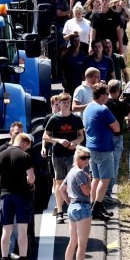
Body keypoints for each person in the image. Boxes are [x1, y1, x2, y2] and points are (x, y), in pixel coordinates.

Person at [0, 132, 37, 260]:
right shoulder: (25, 156)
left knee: (6, 230)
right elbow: (31, 178)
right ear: (23, 142)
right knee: (22, 230)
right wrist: (28, 182)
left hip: (6, 195)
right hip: (22, 195)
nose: (26, 149)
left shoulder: (0, 155)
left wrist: (2, 184)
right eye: (27, 146)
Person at [43, 93, 85, 224]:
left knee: (74, 181)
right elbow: (45, 136)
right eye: (64, 102)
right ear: (59, 104)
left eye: (68, 102)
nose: (66, 104)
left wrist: (75, 143)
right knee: (59, 181)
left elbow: (81, 136)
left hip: (72, 154)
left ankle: (74, 208)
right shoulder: (54, 119)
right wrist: (59, 140)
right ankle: (60, 211)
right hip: (58, 154)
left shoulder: (76, 119)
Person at [82, 82, 121, 220]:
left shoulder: (87, 108)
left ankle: (93, 204)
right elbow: (117, 128)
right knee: (105, 179)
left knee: (96, 178)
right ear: (103, 95)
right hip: (103, 148)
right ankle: (97, 207)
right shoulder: (103, 109)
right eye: (107, 95)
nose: (108, 97)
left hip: (91, 147)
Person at [59, 147, 94, 260]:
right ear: (77, 158)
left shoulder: (71, 172)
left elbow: (62, 189)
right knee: (82, 244)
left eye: (87, 157)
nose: (86, 160)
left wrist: (68, 201)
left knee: (72, 243)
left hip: (73, 207)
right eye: (84, 158)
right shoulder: (80, 173)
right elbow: (87, 192)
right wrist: (89, 181)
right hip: (82, 207)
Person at [105, 80, 130, 202]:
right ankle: (109, 193)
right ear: (119, 91)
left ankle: (102, 193)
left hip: (105, 136)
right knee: (114, 166)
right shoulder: (121, 105)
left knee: (104, 165)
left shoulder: (104, 103)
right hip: (116, 137)